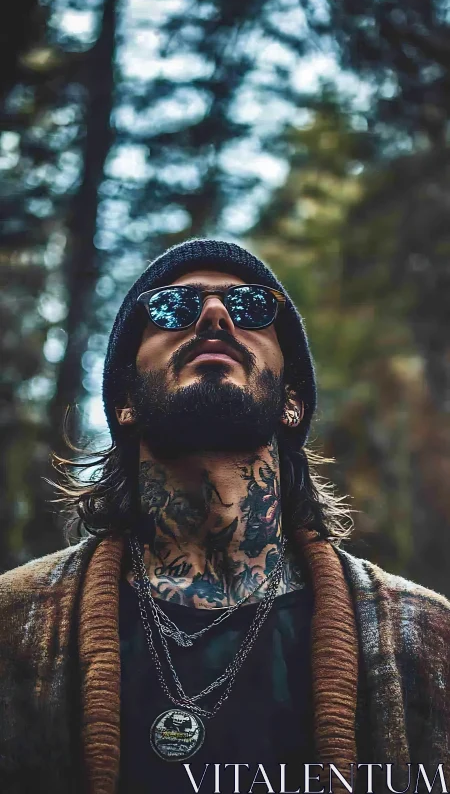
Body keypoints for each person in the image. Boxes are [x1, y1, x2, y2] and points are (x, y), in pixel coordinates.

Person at [0, 238, 449, 794]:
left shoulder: (429, 636)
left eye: (252, 308)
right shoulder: (13, 623)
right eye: (172, 308)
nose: (215, 315)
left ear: (292, 401)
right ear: (125, 401)